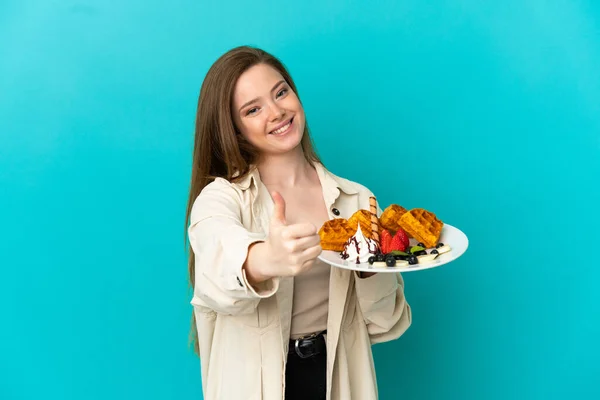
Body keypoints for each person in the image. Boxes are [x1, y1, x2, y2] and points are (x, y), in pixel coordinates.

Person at [184, 45, 412, 400]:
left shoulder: (356, 201)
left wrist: (369, 269)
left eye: (281, 92)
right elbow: (215, 269)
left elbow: (385, 323)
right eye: (253, 109)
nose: (277, 112)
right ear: (234, 129)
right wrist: (264, 259)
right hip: (253, 383)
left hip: (338, 378)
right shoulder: (220, 199)